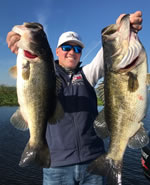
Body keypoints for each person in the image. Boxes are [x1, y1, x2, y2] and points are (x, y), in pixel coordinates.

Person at [6, 11, 143, 185]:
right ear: (56, 51)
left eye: (77, 49)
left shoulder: (87, 74)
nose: (72, 52)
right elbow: (32, 76)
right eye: (66, 48)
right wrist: (18, 40)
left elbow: (106, 55)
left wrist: (121, 31)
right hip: (56, 166)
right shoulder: (47, 73)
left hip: (93, 162)